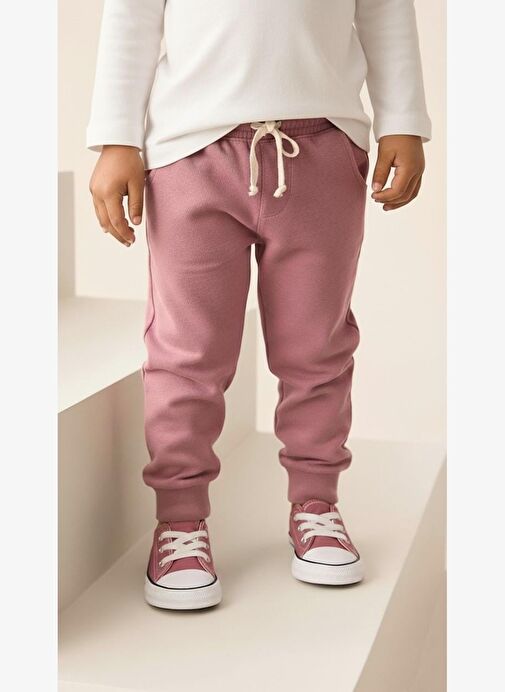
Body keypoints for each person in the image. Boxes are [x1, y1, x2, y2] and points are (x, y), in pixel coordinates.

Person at [87, 0, 430, 610]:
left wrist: (402, 118)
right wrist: (117, 140)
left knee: (317, 346)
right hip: (190, 153)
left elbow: (383, 8)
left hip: (323, 146)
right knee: (188, 353)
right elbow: (131, 16)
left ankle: (317, 505)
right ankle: (180, 519)